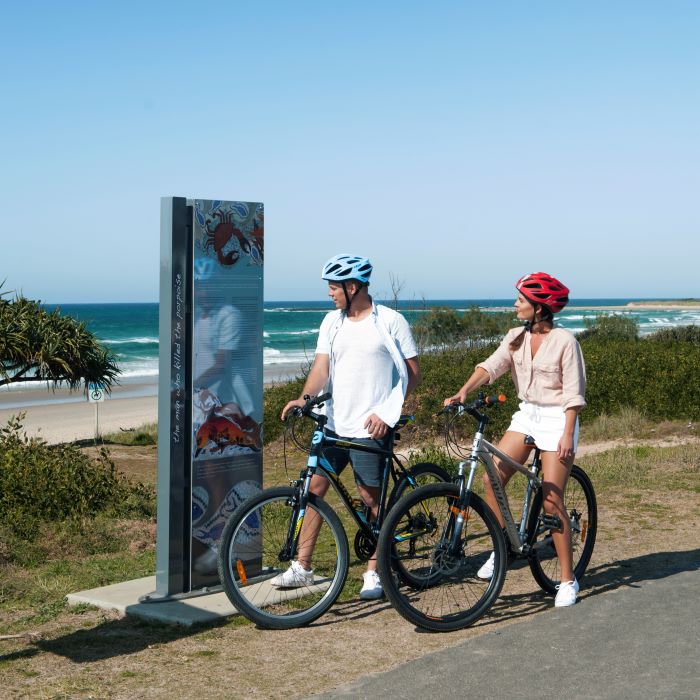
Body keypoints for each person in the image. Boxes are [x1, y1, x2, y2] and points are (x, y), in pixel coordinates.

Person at [274, 254, 421, 600]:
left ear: (352, 287)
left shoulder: (390, 321)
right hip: (333, 424)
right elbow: (322, 367)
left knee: (371, 499)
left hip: (371, 429)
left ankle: (376, 570)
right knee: (313, 489)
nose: (329, 293)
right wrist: (305, 399)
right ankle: (303, 566)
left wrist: (387, 413)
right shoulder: (331, 322)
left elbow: (412, 374)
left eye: (333, 287)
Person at [444, 272, 586, 607]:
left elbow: (574, 394)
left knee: (552, 501)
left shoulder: (566, 342)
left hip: (558, 419)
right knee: (491, 477)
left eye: (521, 300)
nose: (515, 304)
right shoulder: (515, 337)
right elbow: (491, 367)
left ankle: (567, 579)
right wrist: (463, 391)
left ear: (539, 308)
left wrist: (567, 432)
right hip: (527, 415)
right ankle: (502, 547)